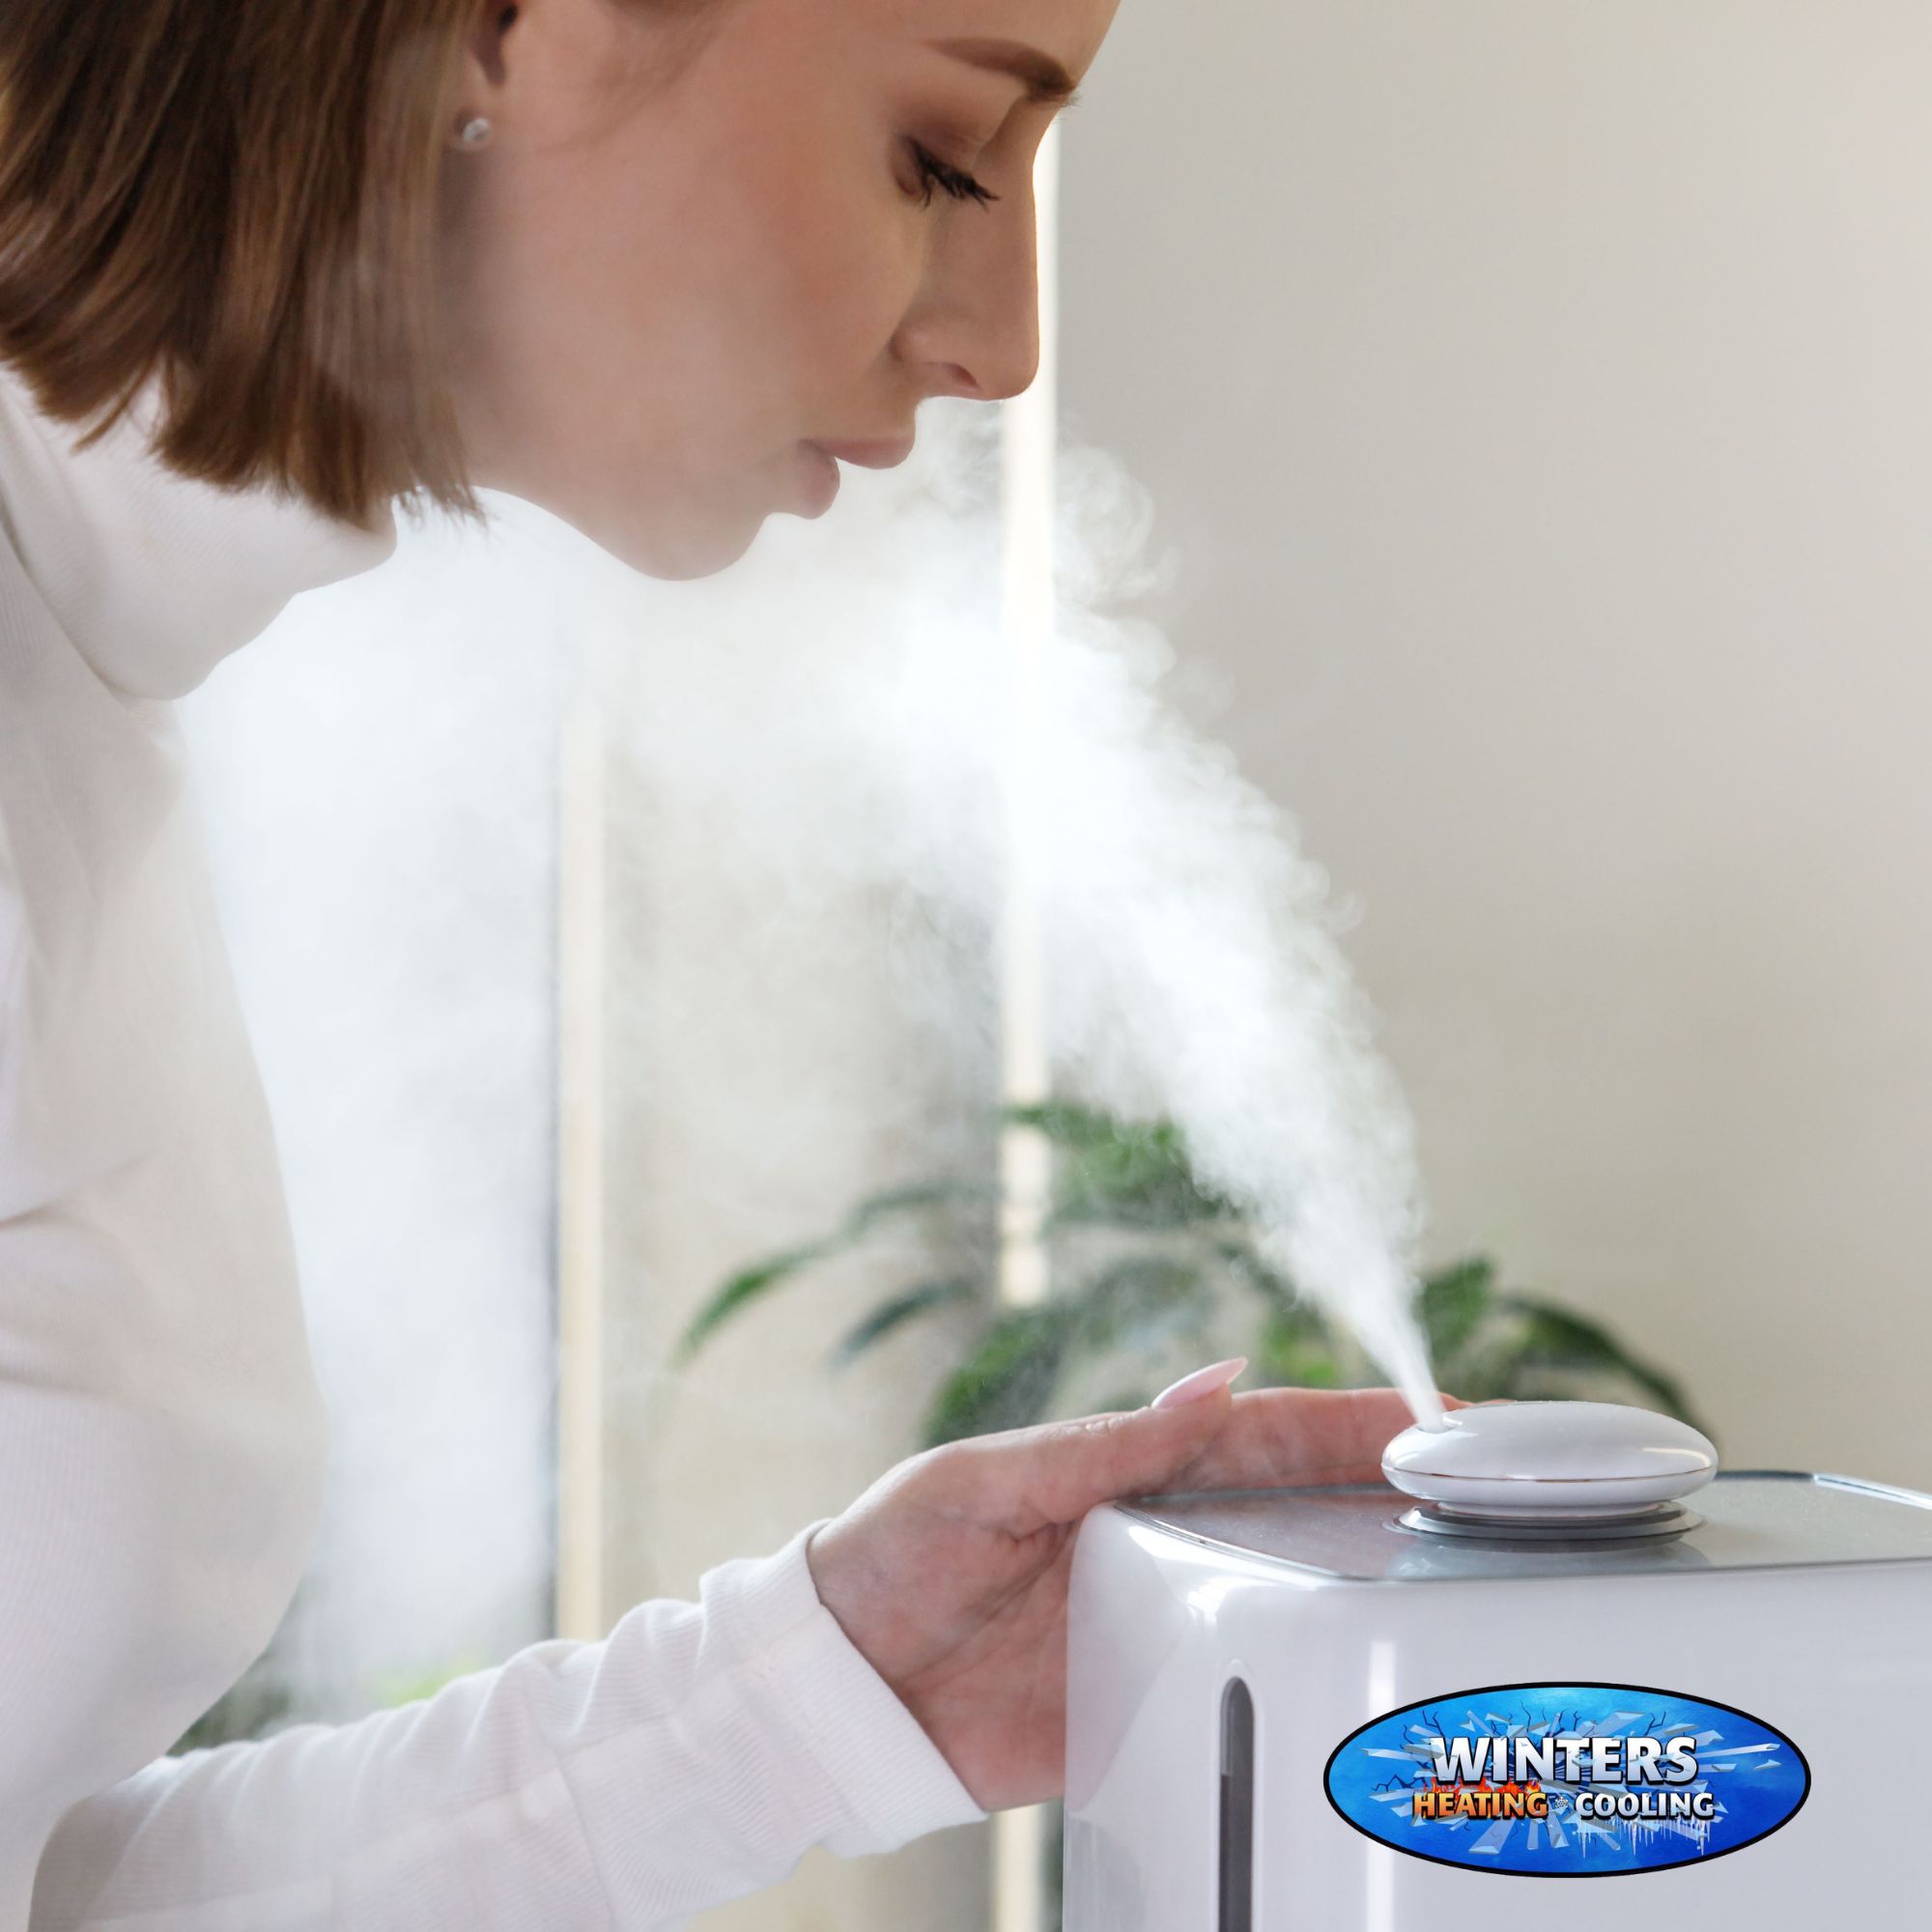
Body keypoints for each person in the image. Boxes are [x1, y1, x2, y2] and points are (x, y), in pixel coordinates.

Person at [0, 1, 1441, 1926]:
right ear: (513, 31)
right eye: (937, 157)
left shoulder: (92, 687)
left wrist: (821, 1692)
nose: (1000, 345)